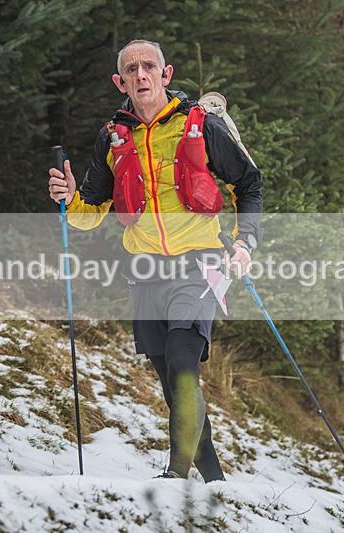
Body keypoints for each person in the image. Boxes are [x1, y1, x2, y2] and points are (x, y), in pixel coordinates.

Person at [48, 39, 262, 482]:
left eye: (149, 67)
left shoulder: (198, 125)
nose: (140, 75)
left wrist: (245, 242)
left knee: (184, 362)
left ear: (165, 75)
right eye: (131, 69)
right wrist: (69, 201)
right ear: (119, 81)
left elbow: (249, 182)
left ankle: (176, 475)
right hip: (144, 274)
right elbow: (90, 216)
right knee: (172, 383)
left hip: (199, 265)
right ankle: (215, 480)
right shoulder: (112, 137)